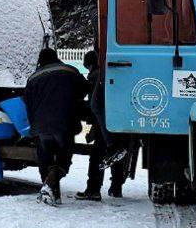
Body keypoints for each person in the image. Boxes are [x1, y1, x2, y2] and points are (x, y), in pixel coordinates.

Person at [22, 47, 87, 206]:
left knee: (45, 158)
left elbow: (26, 103)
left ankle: (52, 193)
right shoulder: (70, 71)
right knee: (64, 158)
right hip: (64, 124)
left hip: (40, 126)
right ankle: (51, 184)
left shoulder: (32, 79)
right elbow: (85, 89)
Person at [76, 49, 128, 201]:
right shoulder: (108, 74)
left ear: (89, 64)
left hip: (102, 124)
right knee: (115, 154)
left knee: (97, 156)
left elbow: (94, 105)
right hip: (116, 119)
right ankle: (116, 187)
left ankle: (93, 189)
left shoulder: (94, 76)